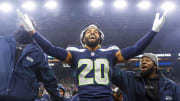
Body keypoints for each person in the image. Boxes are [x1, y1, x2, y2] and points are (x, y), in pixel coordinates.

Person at [17, 9, 167, 101]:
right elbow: (51, 49)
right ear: (83, 39)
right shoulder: (74, 52)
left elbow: (135, 49)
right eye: (89, 31)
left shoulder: (111, 51)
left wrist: (153, 31)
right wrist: (33, 32)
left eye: (96, 31)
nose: (92, 32)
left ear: (100, 38)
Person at [0, 19, 63, 101]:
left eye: (27, 25)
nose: (24, 26)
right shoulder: (2, 41)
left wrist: (57, 98)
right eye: (22, 24)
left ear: (32, 29)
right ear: (18, 25)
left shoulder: (38, 52)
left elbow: (49, 79)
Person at [112, 53, 180, 101]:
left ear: (155, 66)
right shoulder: (130, 79)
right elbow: (112, 72)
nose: (143, 62)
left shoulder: (170, 86)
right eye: (142, 61)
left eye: (147, 60)